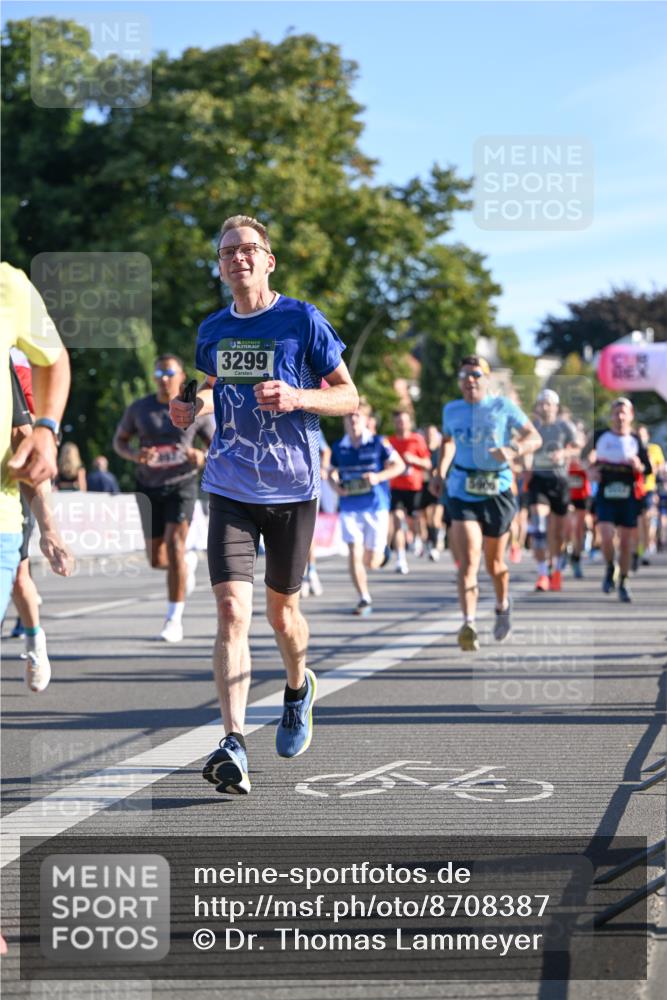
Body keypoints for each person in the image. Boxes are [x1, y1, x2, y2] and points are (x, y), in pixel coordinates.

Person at [170, 213, 358, 796]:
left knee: (283, 617)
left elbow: (350, 397)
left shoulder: (302, 319)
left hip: (293, 489)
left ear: (268, 259)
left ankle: (299, 687)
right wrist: (192, 406)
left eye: (249, 249)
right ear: (221, 266)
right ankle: (232, 742)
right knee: (230, 613)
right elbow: (209, 385)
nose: (238, 259)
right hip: (229, 484)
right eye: (227, 253)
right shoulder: (213, 328)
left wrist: (299, 395)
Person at [430, 356, 541, 651]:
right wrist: (440, 472)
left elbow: (535, 437)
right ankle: (468, 623)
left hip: (497, 490)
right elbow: (448, 441)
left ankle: (503, 604)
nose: (470, 381)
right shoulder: (451, 409)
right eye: (464, 375)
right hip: (462, 488)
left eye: (476, 375)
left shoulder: (502, 406)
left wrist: (513, 448)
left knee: (495, 564)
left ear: (486, 379)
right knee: (469, 560)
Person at [113, 353, 212, 642]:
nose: (164, 379)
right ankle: (184, 565)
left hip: (181, 485)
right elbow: (119, 441)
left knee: (176, 544)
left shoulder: (194, 408)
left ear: (182, 377)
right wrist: (134, 454)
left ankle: (173, 620)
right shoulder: (139, 409)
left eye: (169, 373)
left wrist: (201, 456)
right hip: (148, 486)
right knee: (157, 559)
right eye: (159, 374)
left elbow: (220, 444)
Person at [7, 358, 73, 690]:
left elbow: (30, 442)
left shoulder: (17, 371)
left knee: (19, 577)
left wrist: (50, 529)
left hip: (10, 487)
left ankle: (34, 641)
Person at [330, 407, 405, 615]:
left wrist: (378, 477)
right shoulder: (339, 446)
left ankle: (384, 553)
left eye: (357, 416)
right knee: (354, 551)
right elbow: (330, 472)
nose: (353, 419)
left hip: (376, 506)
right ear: (344, 421)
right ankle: (364, 597)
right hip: (350, 508)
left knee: (371, 561)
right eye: (348, 416)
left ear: (365, 420)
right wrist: (336, 487)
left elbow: (399, 465)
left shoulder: (379, 442)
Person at [588, 398, 651, 603]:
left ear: (631, 416)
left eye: (624, 413)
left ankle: (623, 581)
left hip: (628, 496)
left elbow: (647, 469)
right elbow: (582, 458)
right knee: (605, 536)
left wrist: (638, 465)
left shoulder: (635, 440)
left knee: (625, 543)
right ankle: (609, 567)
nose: (620, 417)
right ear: (611, 416)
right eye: (616, 413)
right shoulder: (600, 436)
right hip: (606, 493)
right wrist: (591, 470)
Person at [527, 389, 579, 592]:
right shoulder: (532, 426)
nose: (545, 407)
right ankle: (542, 574)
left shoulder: (564, 426)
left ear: (556, 407)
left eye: (549, 403)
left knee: (557, 533)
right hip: (539, 479)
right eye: (542, 403)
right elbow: (522, 444)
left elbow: (578, 447)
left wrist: (563, 453)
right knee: (539, 525)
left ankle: (556, 570)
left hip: (559, 481)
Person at [388, 410, 432, 574]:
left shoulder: (417, 440)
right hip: (396, 487)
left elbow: (427, 464)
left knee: (418, 519)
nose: (401, 424)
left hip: (414, 487)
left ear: (409, 423)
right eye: (398, 421)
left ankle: (423, 541)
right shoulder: (390, 441)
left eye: (404, 421)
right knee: (398, 519)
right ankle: (401, 558)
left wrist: (414, 460)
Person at [300, 429, 331, 598]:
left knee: (308, 532)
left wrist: (323, 468)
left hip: (309, 487)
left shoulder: (309, 423)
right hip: (284, 488)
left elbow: (325, 450)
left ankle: (310, 572)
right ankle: (299, 576)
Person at [634, 426, 665, 568]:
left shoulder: (654, 449)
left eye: (643, 435)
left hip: (649, 489)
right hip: (634, 489)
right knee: (638, 521)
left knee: (646, 519)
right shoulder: (632, 448)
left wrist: (651, 465)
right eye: (638, 435)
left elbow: (661, 468)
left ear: (647, 435)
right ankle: (639, 548)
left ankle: (646, 549)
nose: (641, 437)